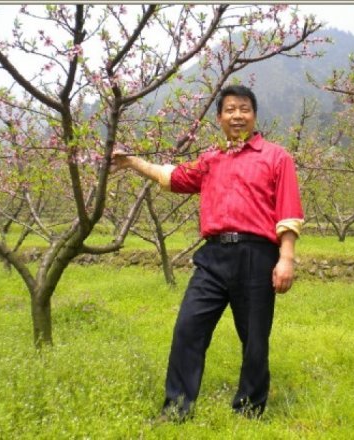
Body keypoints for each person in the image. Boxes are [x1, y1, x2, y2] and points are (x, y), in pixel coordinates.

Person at [112, 85, 304, 420]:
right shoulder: (211, 160)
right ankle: (176, 409)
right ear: (219, 118)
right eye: (230, 109)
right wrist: (132, 162)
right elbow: (172, 176)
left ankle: (249, 410)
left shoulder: (276, 157)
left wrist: (285, 258)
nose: (237, 115)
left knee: (254, 339)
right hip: (213, 257)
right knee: (188, 328)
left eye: (244, 109)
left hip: (257, 255)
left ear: (254, 115)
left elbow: (288, 211)